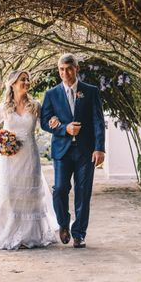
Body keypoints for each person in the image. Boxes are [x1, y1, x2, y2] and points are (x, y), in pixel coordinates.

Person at [0, 70, 58, 250]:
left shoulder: (35, 105)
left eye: (27, 79)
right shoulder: (4, 107)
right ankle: (9, 234)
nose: (25, 82)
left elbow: (46, 123)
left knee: (29, 194)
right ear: (12, 84)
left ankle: (29, 236)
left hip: (29, 155)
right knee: (9, 193)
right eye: (22, 80)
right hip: (10, 157)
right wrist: (0, 141)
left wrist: (54, 121)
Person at [40, 53, 105, 248]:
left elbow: (98, 121)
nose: (65, 73)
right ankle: (63, 224)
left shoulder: (90, 91)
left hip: (86, 151)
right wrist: (63, 128)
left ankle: (79, 233)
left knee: (83, 192)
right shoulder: (51, 94)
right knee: (59, 189)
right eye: (61, 69)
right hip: (62, 151)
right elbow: (44, 122)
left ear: (76, 69)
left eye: (68, 69)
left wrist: (99, 148)